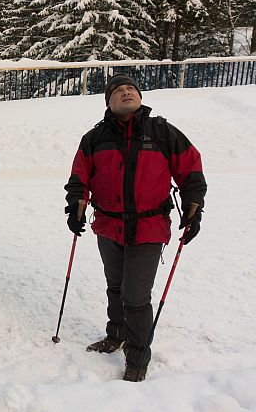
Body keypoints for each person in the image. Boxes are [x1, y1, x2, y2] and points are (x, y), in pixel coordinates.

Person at [64, 74, 206, 381]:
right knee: (115, 286)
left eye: (131, 89)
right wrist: (76, 206)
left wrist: (194, 206)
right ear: (109, 102)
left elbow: (191, 169)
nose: (126, 92)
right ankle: (116, 334)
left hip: (149, 227)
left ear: (139, 96)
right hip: (109, 226)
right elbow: (79, 178)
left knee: (135, 296)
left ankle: (138, 360)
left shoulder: (163, 132)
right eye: (118, 91)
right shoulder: (95, 137)